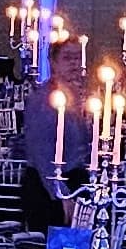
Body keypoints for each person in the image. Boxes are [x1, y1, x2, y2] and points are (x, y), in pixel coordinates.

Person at [20, 38, 88, 218]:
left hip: (75, 182)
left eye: (77, 58)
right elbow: (41, 151)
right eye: (67, 58)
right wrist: (62, 194)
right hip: (49, 188)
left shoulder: (75, 95)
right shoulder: (43, 99)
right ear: (54, 63)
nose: (74, 63)